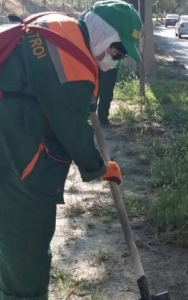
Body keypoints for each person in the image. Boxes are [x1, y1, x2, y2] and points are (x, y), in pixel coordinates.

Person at [0, 1, 142, 299]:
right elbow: (72, 129)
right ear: (104, 34)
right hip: (20, 163)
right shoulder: (74, 69)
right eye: (118, 50)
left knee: (9, 239)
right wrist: (100, 167)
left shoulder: (57, 25)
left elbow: (43, 81)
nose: (116, 59)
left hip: (9, 134)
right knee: (27, 247)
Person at [79, 9, 120, 125]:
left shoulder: (90, 13)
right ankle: (100, 117)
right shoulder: (95, 14)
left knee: (94, 87)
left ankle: (93, 116)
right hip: (102, 58)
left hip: (97, 57)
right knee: (101, 88)